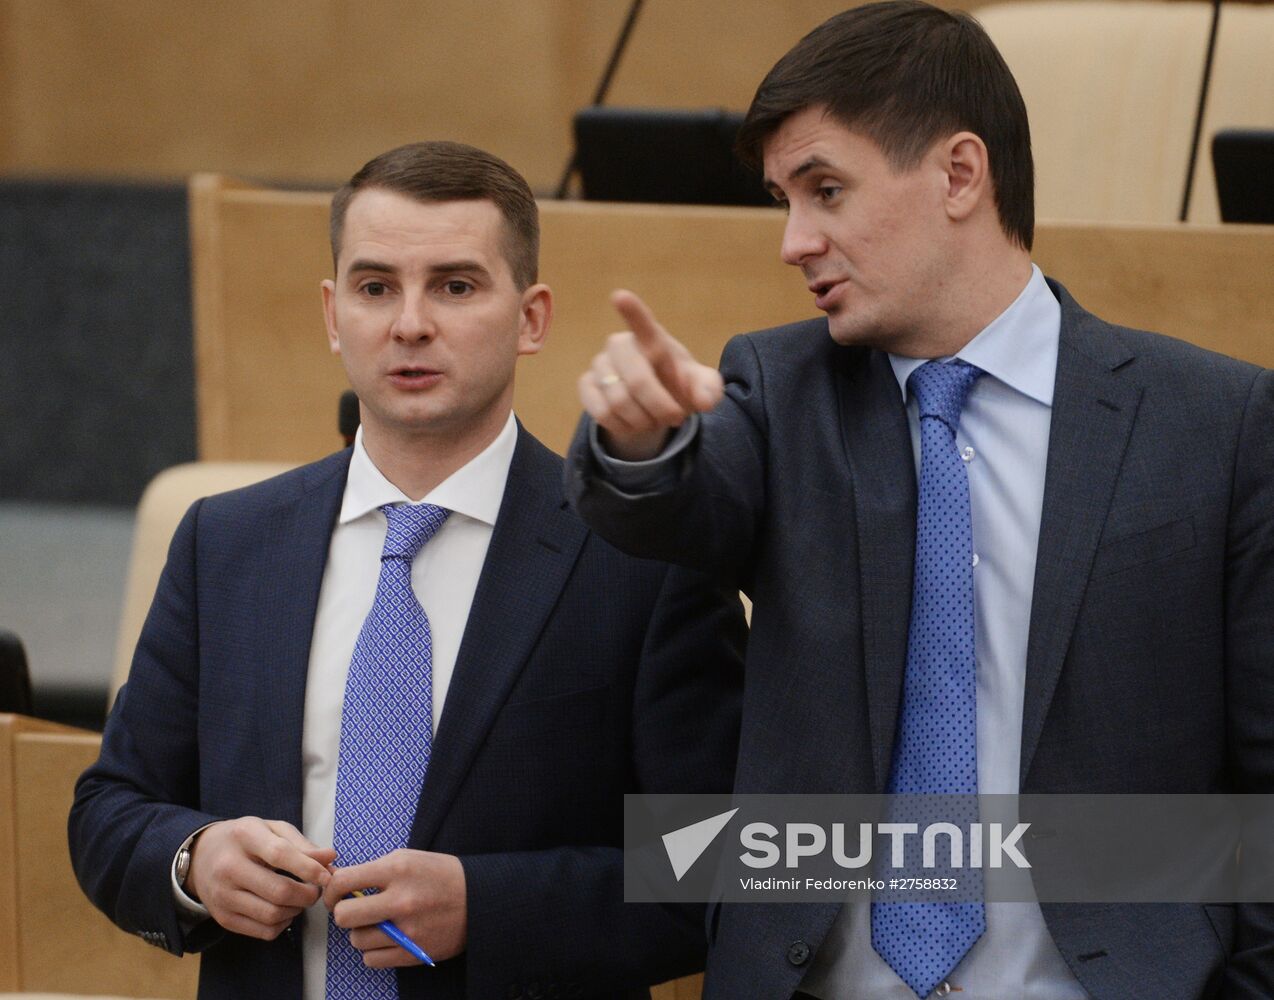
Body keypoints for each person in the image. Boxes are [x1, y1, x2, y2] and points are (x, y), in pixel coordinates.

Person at [566, 3, 1274, 998]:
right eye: (781, 200)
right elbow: (678, 505)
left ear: (957, 174)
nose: (793, 241)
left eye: (824, 190)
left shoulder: (1217, 420)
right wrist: (642, 443)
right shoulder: (774, 391)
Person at [70, 140, 746, 1000]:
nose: (410, 323)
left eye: (456, 286)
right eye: (375, 286)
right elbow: (109, 809)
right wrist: (194, 861)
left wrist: (490, 906)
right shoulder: (225, 544)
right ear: (331, 312)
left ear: (531, 318)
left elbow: (726, 854)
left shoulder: (646, 557)